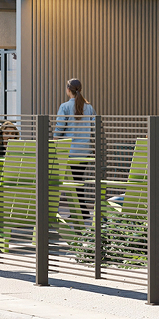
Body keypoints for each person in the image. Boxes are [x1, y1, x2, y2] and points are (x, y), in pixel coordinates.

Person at [54, 78, 97, 216]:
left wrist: (54, 142)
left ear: (68, 90)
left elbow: (59, 127)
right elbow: (95, 127)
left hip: (70, 152)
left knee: (73, 182)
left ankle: (80, 212)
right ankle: (81, 211)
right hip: (84, 151)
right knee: (77, 180)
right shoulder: (89, 107)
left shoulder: (65, 107)